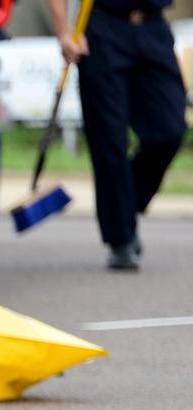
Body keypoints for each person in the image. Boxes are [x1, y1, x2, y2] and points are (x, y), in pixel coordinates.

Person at [48, 0, 187, 270]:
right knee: (109, 140)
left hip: (153, 25)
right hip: (104, 28)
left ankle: (122, 207)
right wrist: (64, 31)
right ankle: (120, 240)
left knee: (169, 130)